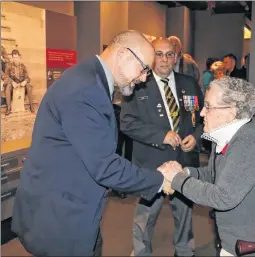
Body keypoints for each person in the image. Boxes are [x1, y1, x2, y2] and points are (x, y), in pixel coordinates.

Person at [11, 30, 171, 257]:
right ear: (124, 54)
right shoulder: (86, 89)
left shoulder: (89, 78)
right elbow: (105, 166)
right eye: (144, 68)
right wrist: (160, 180)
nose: (145, 77)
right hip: (58, 217)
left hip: (73, 207)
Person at [158, 76, 255, 256]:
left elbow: (222, 197)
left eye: (208, 106)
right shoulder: (227, 134)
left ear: (232, 111)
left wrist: (178, 179)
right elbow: (216, 174)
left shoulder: (248, 144)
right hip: (242, 240)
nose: (201, 113)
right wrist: (187, 172)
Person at [120, 38, 203, 257]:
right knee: (145, 216)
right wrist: (161, 135)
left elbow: (202, 117)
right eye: (159, 54)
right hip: (151, 164)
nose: (165, 60)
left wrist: (196, 137)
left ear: (176, 57)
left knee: (185, 214)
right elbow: (127, 123)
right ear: (151, 57)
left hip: (184, 162)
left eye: (169, 54)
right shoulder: (138, 85)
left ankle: (185, 251)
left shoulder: (189, 84)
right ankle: (141, 253)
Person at [5, 49, 34, 115]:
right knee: (8, 87)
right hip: (13, 86)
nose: (15, 59)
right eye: (14, 57)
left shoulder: (23, 66)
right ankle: (8, 108)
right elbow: (6, 77)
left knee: (29, 86)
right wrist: (12, 82)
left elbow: (27, 77)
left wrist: (25, 81)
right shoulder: (8, 66)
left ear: (19, 57)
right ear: (12, 58)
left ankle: (31, 106)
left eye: (17, 57)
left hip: (21, 85)